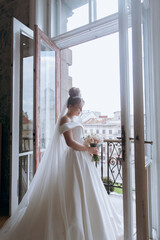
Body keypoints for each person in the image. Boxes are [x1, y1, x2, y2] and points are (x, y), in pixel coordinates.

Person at [0, 87, 123, 240]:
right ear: (70, 106)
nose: (80, 111)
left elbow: (78, 138)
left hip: (82, 159)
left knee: (86, 191)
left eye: (81, 108)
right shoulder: (65, 119)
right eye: (78, 108)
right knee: (72, 192)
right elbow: (70, 142)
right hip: (73, 158)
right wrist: (87, 148)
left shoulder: (76, 119)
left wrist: (89, 146)